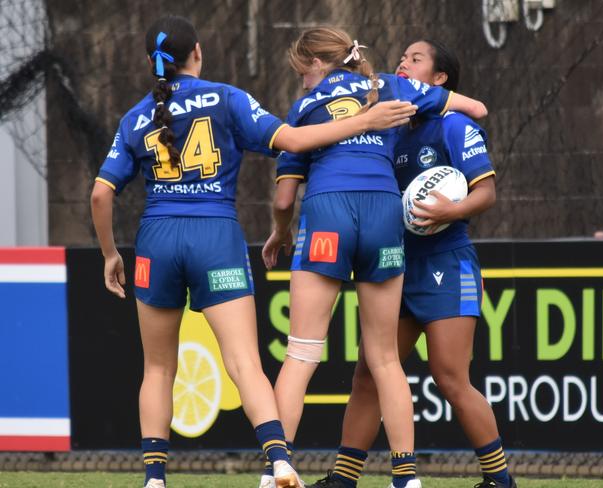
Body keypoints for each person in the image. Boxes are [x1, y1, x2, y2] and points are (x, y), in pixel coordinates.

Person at [90, 15, 417, 488]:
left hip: (155, 240)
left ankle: (155, 478)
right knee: (244, 362)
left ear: (151, 64)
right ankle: (280, 462)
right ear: (197, 53)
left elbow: (101, 195)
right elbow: (294, 139)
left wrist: (109, 255)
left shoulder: (134, 117)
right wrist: (365, 121)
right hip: (215, 236)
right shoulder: (227, 98)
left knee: (159, 368)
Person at [261, 28, 488, 488]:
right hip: (385, 212)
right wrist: (428, 105)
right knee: (385, 359)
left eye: (301, 71)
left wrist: (280, 234)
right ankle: (406, 477)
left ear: (316, 65)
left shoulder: (305, 108)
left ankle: (278, 469)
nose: (302, 81)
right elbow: (475, 109)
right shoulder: (389, 85)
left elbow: (285, 200)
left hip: (329, 211)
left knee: (302, 354)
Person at [308, 41, 516, 488]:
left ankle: (499, 480)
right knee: (369, 372)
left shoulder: (453, 126)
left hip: (447, 263)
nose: (402, 63)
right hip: (396, 265)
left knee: (449, 376)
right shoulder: (390, 129)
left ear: (439, 80)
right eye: (402, 57)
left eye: (415, 59)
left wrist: (449, 212)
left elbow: (487, 193)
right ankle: (344, 479)